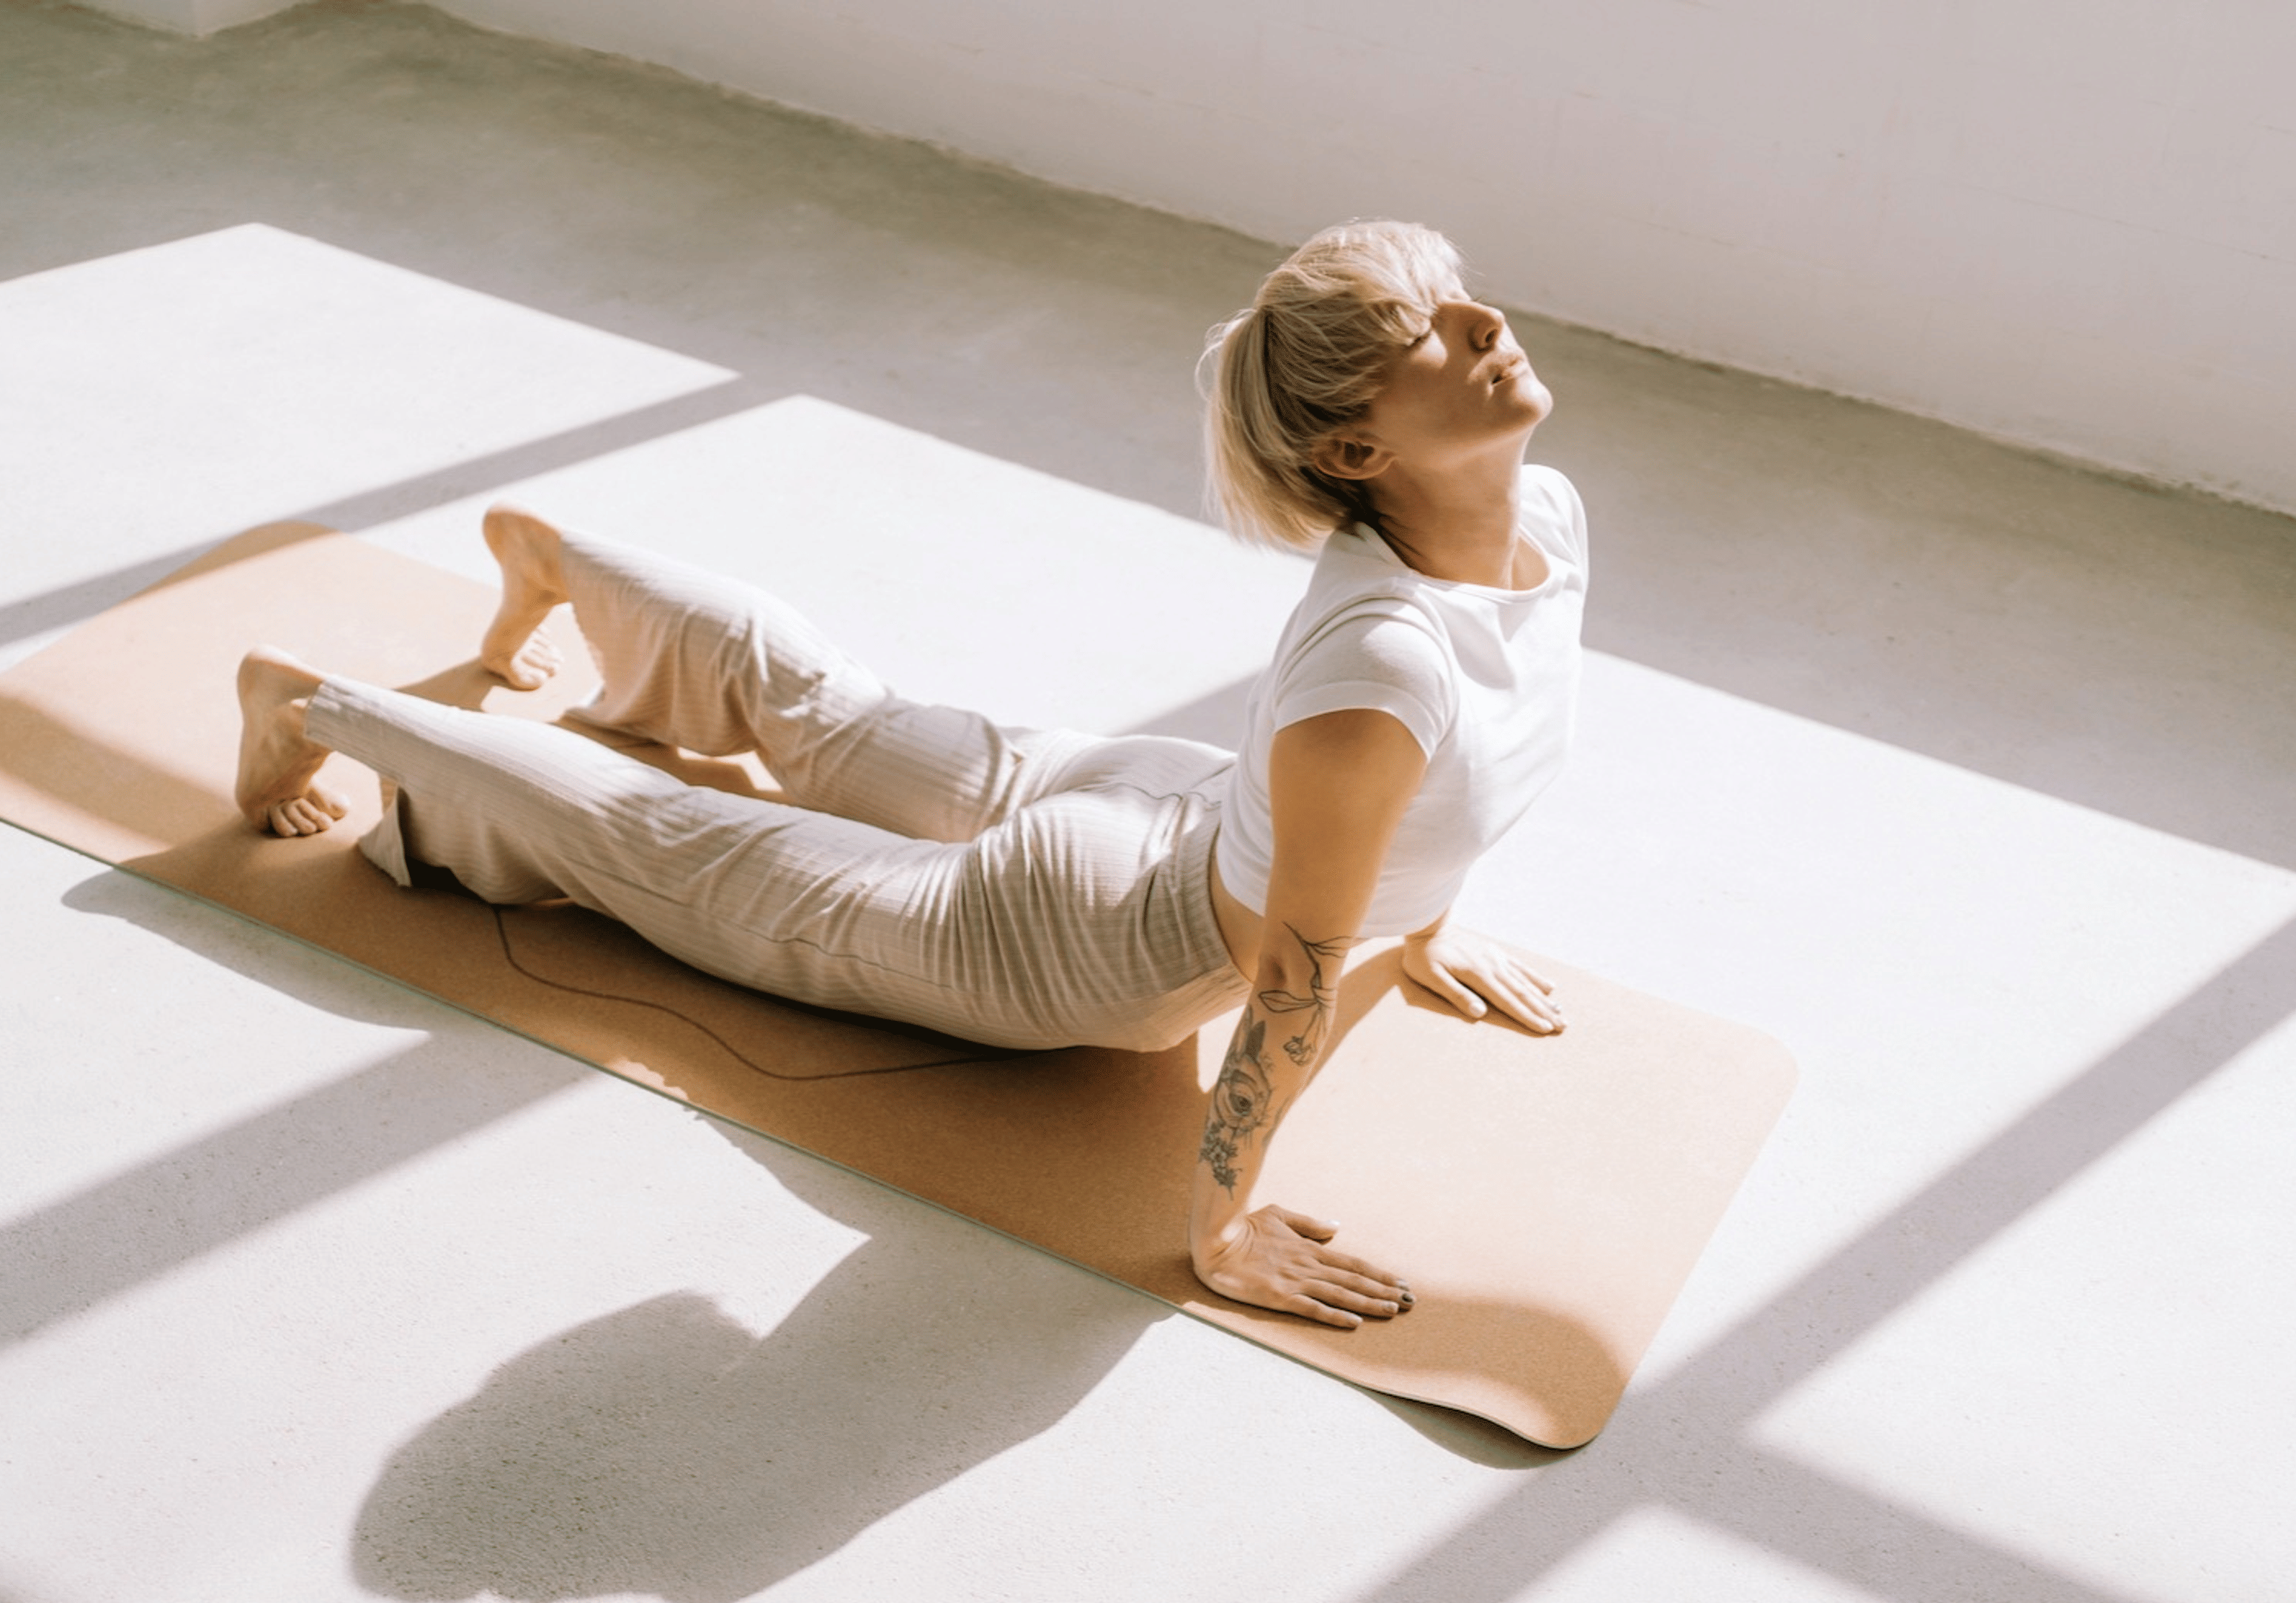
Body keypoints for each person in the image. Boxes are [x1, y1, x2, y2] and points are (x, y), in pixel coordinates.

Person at [231, 220, 1584, 1331]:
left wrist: (1426, 908)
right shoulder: (1384, 673)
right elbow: (1292, 979)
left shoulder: (1547, 522)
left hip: (1162, 801)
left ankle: (561, 565)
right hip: (1091, 936)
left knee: (832, 719)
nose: (1481, 323)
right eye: (1428, 331)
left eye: (1457, 299)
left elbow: (1459, 753)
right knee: (675, 846)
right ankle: (314, 702)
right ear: (1354, 453)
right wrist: (1219, 1228)